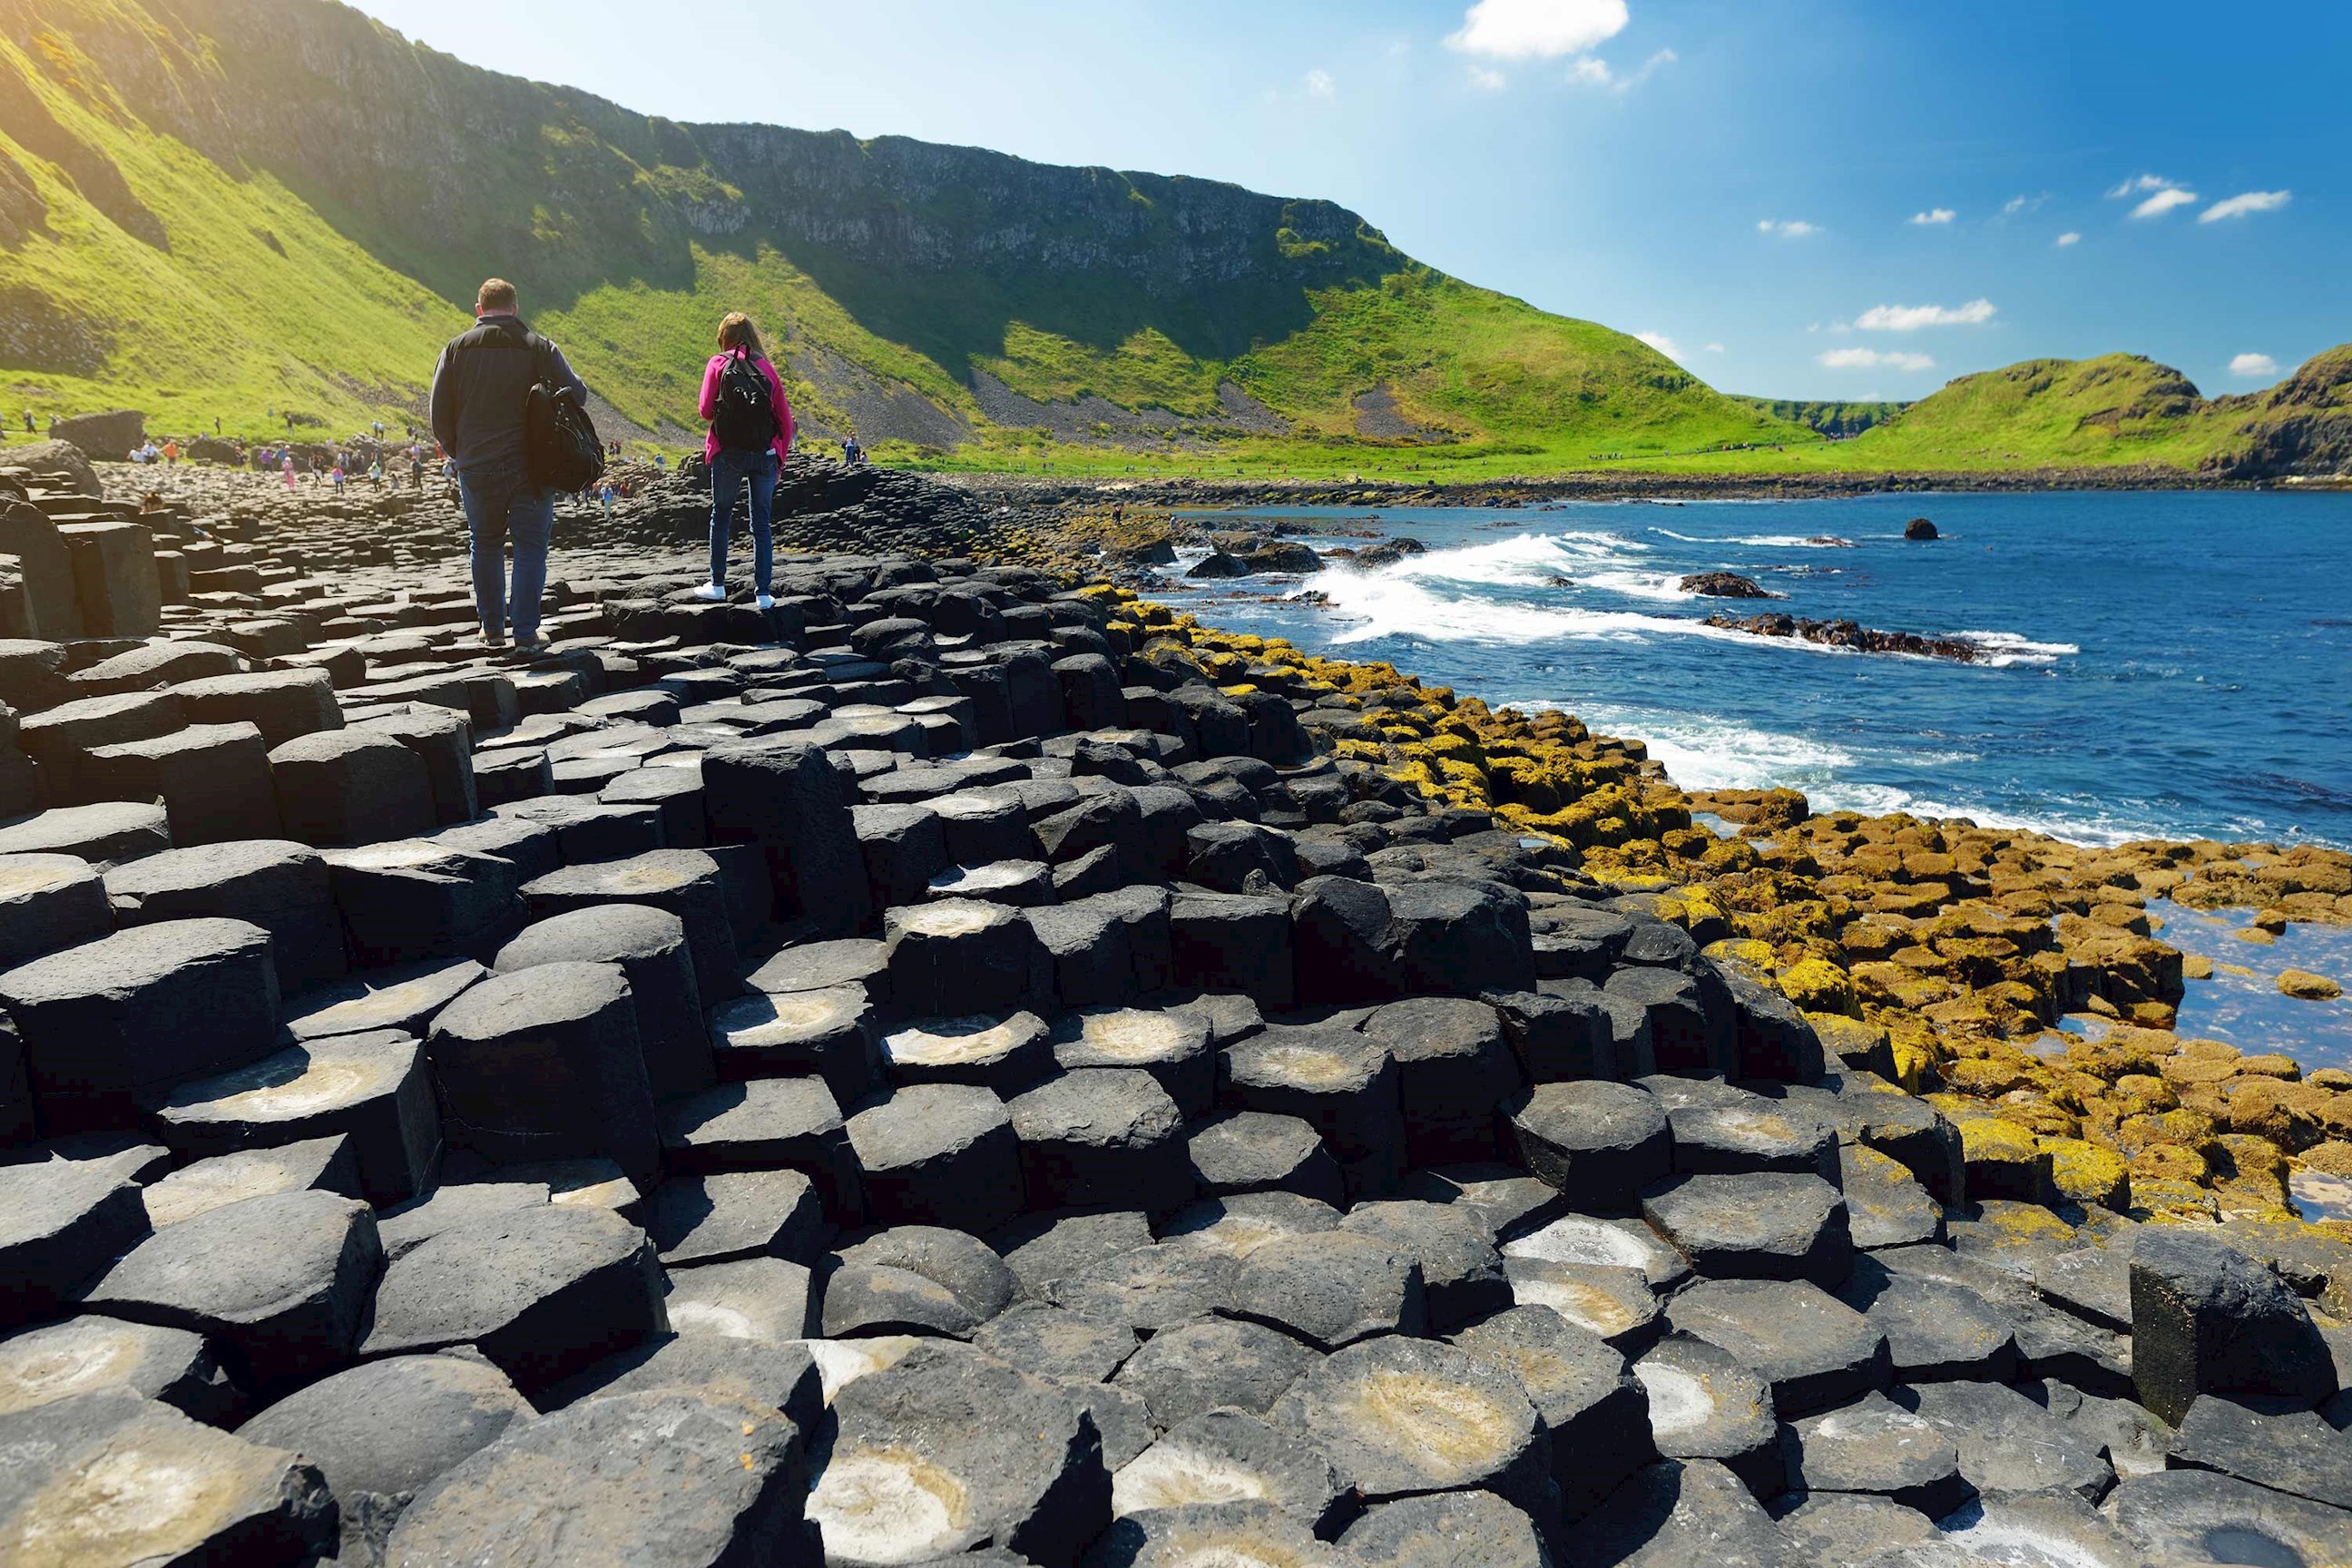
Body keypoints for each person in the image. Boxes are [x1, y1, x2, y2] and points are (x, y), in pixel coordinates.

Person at [428, 277, 588, 652]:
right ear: (515, 309)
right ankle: (527, 633)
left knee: (484, 543)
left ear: (479, 310)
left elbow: (438, 414)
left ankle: (492, 628)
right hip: (532, 467)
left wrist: (459, 451)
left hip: (477, 464)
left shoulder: (454, 350)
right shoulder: (539, 347)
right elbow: (577, 394)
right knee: (531, 546)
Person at [692, 312, 794, 607]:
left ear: (725, 336)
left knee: (721, 515)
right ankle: (763, 593)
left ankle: (717, 584)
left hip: (728, 453)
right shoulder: (767, 368)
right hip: (764, 455)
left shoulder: (718, 363)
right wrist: (780, 462)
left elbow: (704, 410)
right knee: (761, 523)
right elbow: (785, 422)